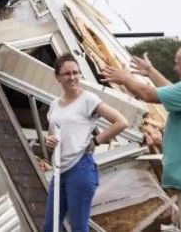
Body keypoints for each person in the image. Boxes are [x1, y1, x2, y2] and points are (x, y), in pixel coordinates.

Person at [100, 45, 181, 232]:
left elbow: (147, 94)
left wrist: (126, 78)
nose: (175, 68)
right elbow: (172, 90)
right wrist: (150, 71)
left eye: (177, 64)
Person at [44, 54, 128, 232]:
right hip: (59, 171)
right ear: (58, 77)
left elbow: (121, 122)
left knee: (78, 228)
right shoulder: (54, 106)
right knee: (50, 227)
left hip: (80, 169)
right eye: (67, 73)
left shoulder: (88, 99)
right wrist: (49, 141)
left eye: (76, 72)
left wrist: (96, 140)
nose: (72, 77)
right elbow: (54, 137)